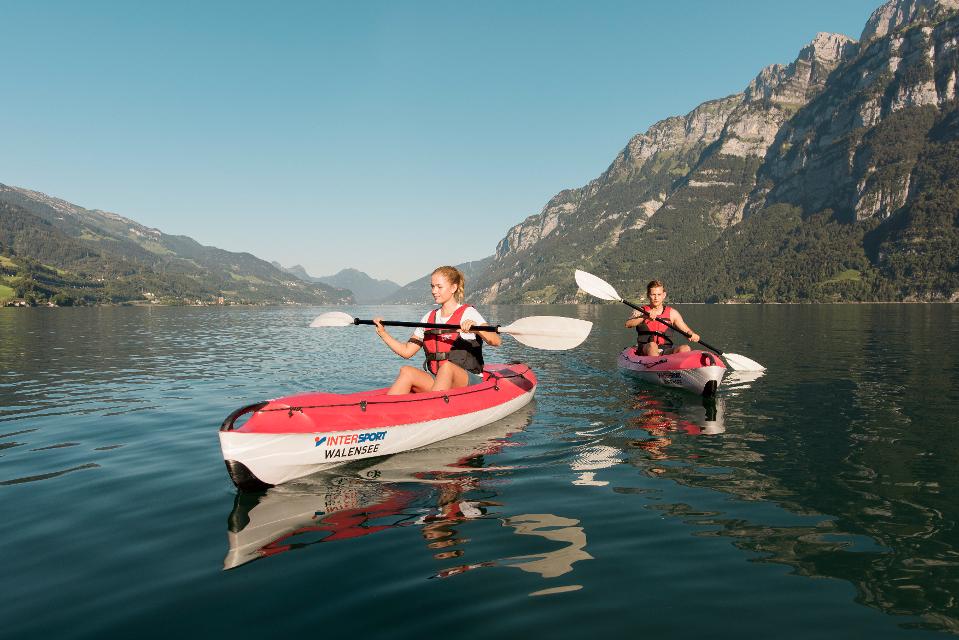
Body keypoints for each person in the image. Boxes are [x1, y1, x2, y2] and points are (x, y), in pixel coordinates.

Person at [373, 266, 501, 395]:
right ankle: (388, 406)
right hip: (439, 380)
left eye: (439, 287)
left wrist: (477, 329)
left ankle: (432, 404)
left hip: (469, 381)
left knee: (447, 368)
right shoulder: (428, 318)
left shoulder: (468, 313)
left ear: (453, 288)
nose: (434, 291)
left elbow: (496, 341)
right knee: (407, 371)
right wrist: (383, 333)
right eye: (432, 286)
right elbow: (406, 351)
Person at [625, 280, 700, 356]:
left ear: (664, 295)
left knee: (685, 348)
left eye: (659, 294)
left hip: (666, 350)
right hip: (645, 349)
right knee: (652, 346)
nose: (656, 298)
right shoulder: (640, 311)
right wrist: (645, 316)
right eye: (653, 294)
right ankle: (655, 362)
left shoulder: (673, 313)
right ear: (648, 295)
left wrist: (691, 334)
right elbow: (628, 324)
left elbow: (686, 330)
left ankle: (677, 363)